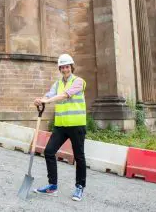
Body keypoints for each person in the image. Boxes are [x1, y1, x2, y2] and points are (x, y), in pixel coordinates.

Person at [33, 54, 87, 202]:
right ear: (60, 68)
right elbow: (49, 94)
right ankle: (52, 185)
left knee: (79, 156)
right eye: (62, 67)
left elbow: (65, 95)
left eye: (67, 66)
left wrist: (48, 100)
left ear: (72, 67)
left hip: (76, 125)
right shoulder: (57, 83)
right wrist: (40, 100)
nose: (65, 69)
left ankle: (79, 186)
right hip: (61, 125)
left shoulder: (79, 82)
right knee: (49, 152)